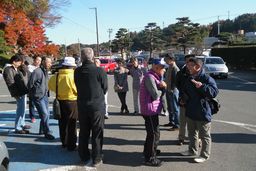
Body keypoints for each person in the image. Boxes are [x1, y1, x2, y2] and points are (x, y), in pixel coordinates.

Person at [181, 57, 219, 163]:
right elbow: (185, 91)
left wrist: (202, 86)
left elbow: (214, 92)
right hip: (190, 109)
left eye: (190, 65)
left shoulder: (206, 78)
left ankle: (204, 155)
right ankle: (192, 151)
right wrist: (182, 99)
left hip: (203, 111)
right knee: (192, 133)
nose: (187, 67)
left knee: (205, 136)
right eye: (187, 65)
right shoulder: (189, 77)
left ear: (197, 67)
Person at [75, 48, 108, 167]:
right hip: (96, 105)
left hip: (82, 105)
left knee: (84, 131)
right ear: (93, 57)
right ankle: (97, 158)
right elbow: (105, 88)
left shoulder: (77, 71)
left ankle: (83, 155)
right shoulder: (99, 71)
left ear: (82, 57)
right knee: (97, 132)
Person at [140, 58, 167, 167]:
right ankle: (150, 158)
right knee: (154, 134)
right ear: (156, 67)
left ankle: (151, 150)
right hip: (149, 110)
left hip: (152, 109)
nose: (164, 70)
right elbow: (155, 95)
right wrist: (163, 88)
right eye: (162, 68)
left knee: (153, 133)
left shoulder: (154, 76)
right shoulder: (150, 77)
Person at [48, 57, 78, 150]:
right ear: (72, 66)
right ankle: (71, 145)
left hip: (59, 101)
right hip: (72, 101)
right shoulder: (73, 76)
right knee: (72, 123)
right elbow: (77, 90)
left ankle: (64, 142)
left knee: (62, 122)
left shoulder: (56, 76)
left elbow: (50, 86)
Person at [28, 56, 55, 140]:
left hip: (45, 96)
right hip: (39, 97)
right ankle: (47, 132)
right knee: (45, 114)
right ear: (43, 62)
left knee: (45, 114)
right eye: (48, 62)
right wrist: (35, 95)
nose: (50, 64)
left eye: (51, 62)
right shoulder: (37, 72)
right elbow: (30, 84)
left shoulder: (45, 71)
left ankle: (42, 130)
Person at [3, 54, 31, 134]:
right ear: (14, 61)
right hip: (18, 92)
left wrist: (22, 65)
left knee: (22, 109)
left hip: (22, 91)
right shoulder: (8, 69)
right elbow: (10, 82)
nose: (20, 63)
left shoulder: (16, 68)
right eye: (19, 62)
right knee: (20, 110)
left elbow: (26, 73)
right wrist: (15, 94)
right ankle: (18, 127)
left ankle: (22, 123)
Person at [176, 54, 195, 145]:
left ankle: (196, 139)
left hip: (195, 102)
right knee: (182, 121)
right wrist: (182, 95)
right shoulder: (181, 73)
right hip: (184, 100)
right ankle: (181, 138)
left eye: (191, 62)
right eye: (187, 62)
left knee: (195, 122)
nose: (188, 64)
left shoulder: (198, 73)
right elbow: (177, 84)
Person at [164, 53, 180, 131]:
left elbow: (176, 81)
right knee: (170, 107)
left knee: (175, 108)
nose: (165, 61)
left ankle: (177, 124)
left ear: (171, 59)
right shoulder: (169, 67)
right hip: (168, 89)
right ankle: (171, 121)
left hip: (173, 91)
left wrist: (172, 89)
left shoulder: (175, 68)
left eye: (166, 59)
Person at [27, 56, 42, 123]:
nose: (38, 62)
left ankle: (41, 115)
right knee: (32, 103)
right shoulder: (29, 67)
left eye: (40, 61)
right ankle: (32, 116)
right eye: (37, 60)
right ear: (34, 60)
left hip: (39, 89)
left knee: (41, 103)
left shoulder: (40, 68)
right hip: (32, 88)